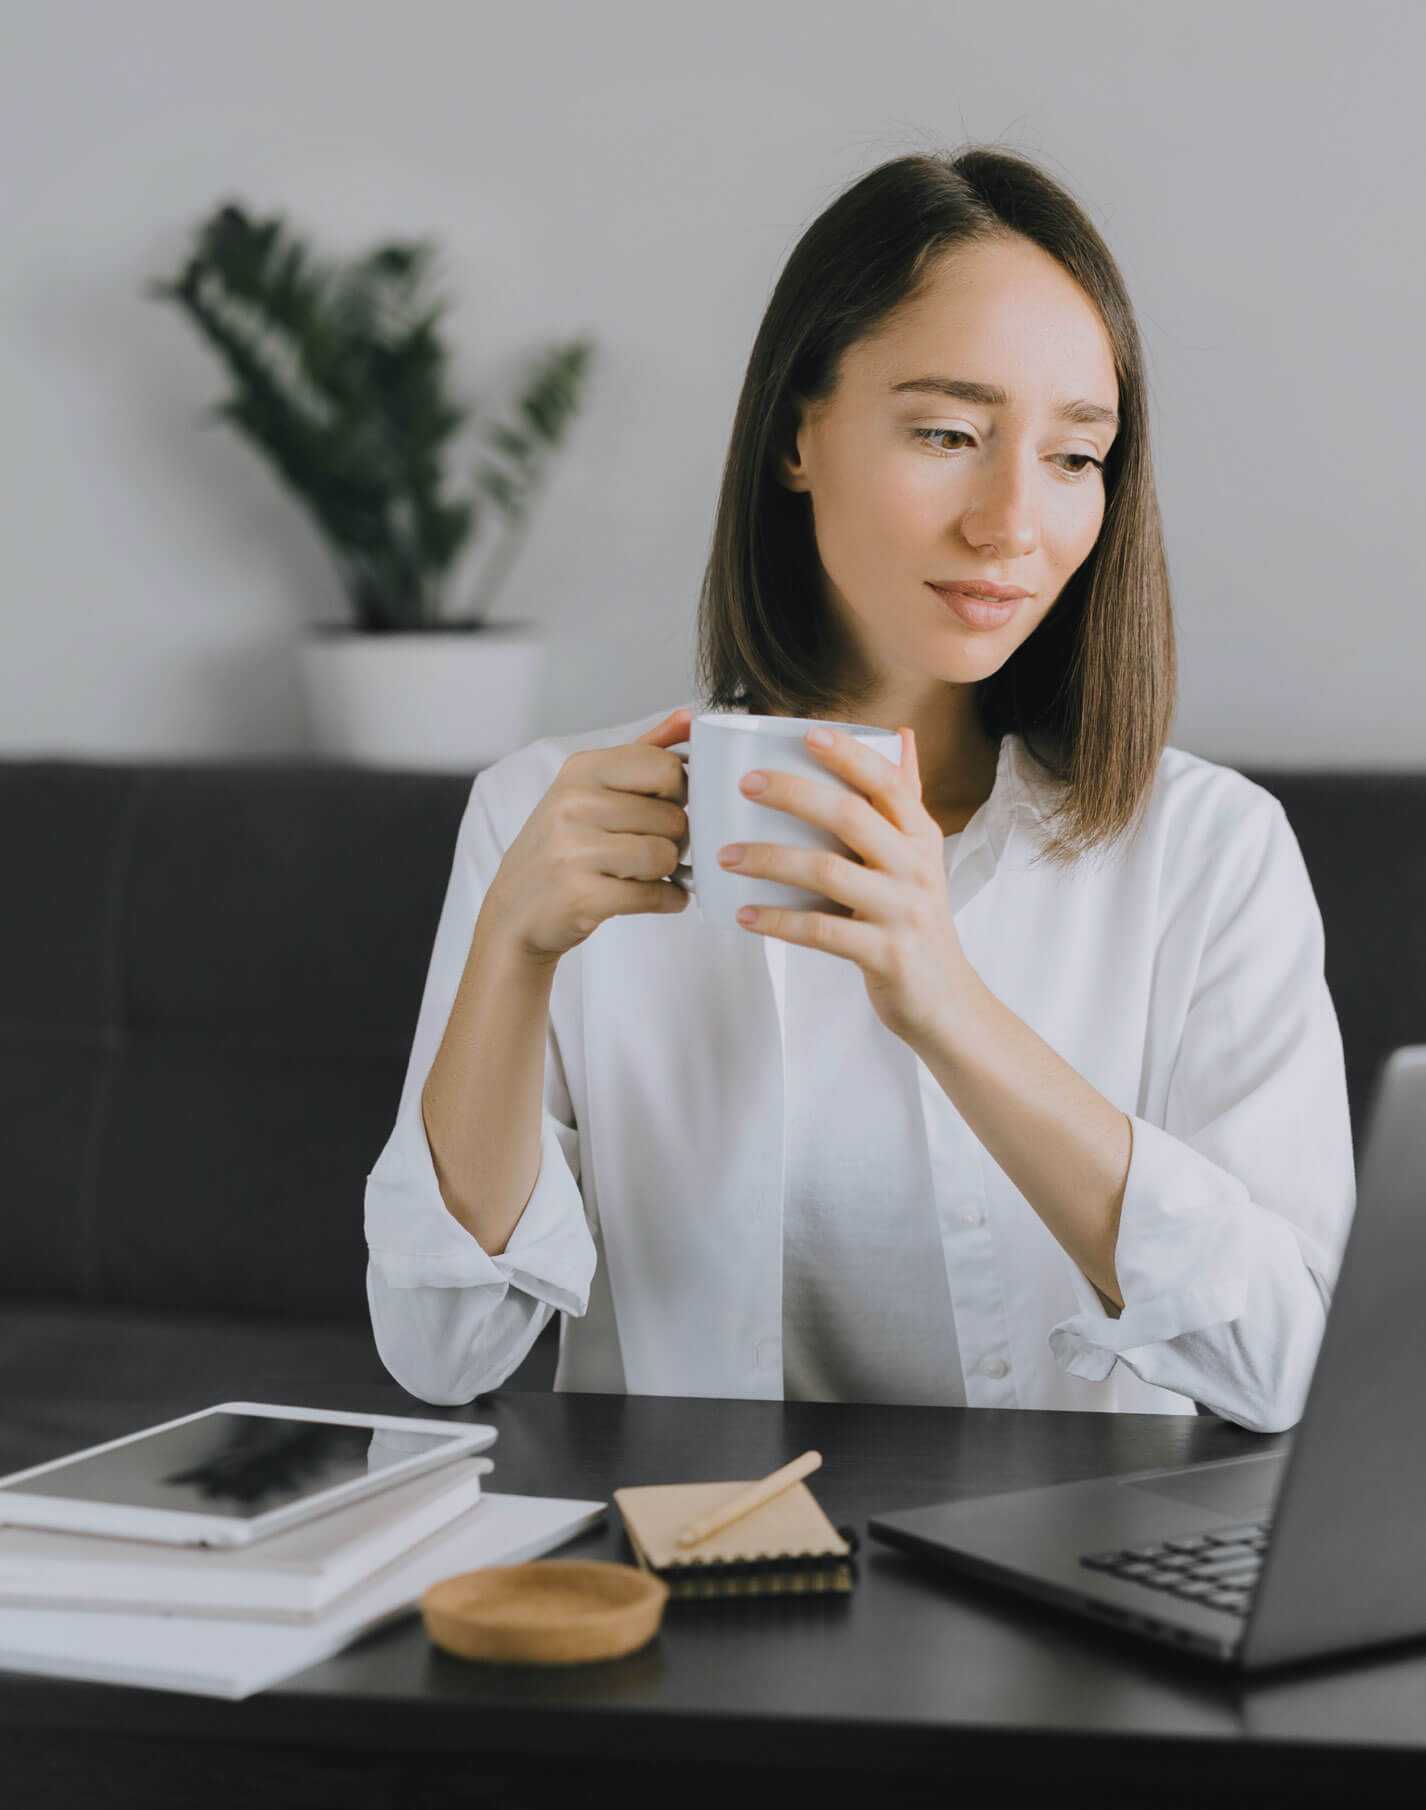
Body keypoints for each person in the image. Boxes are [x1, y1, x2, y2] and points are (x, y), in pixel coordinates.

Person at [364, 147, 1355, 1432]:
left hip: (1065, 1603)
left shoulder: (1211, 851)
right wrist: (511, 950)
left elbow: (1285, 1365)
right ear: (796, 435)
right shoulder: (547, 812)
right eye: (948, 433)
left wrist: (945, 1002)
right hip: (689, 1582)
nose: (1011, 521)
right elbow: (439, 1349)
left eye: (1073, 456)